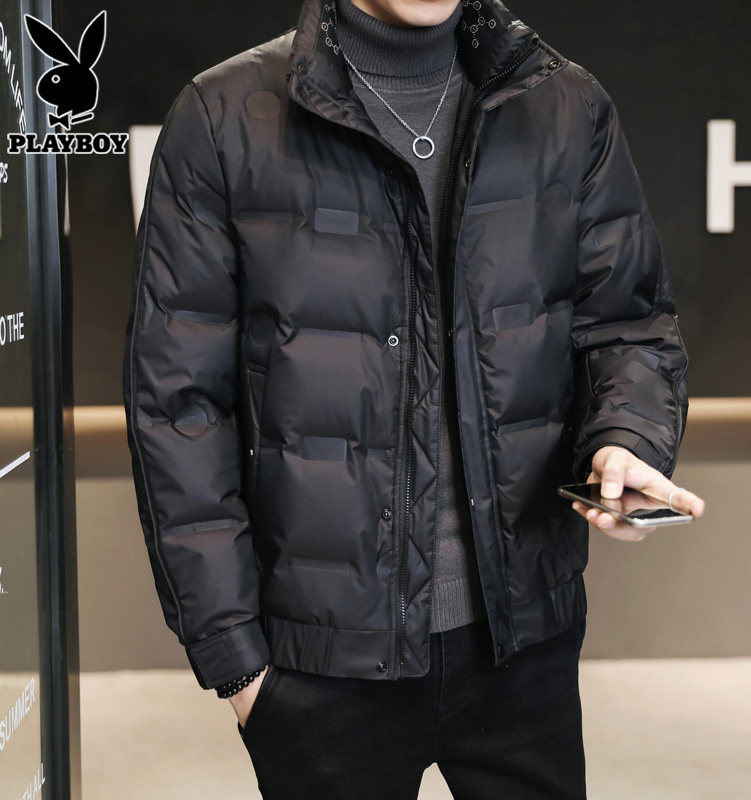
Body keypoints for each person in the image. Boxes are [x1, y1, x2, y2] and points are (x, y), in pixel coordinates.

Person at [122, 0, 706, 797]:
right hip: (318, 672)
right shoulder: (223, 115)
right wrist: (238, 665)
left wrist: (625, 439)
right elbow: (178, 407)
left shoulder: (566, 104)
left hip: (524, 647)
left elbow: (628, 326)